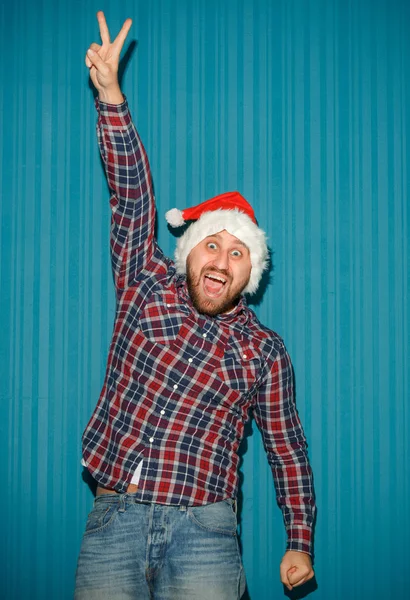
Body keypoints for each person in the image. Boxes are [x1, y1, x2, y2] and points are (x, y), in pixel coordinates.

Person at [75, 11, 316, 600]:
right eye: (212, 243)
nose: (221, 259)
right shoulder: (146, 283)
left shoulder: (263, 350)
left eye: (238, 254)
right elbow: (132, 199)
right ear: (187, 254)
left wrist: (299, 540)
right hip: (114, 521)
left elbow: (287, 448)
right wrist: (111, 97)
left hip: (206, 530)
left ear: (250, 275)